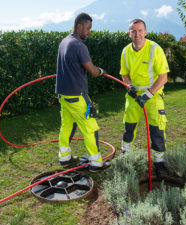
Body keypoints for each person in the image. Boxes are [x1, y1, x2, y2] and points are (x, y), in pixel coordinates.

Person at [55, 12, 110, 172]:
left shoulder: (64, 42)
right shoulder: (80, 46)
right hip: (77, 96)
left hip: (63, 95)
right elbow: (92, 71)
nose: (89, 32)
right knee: (90, 127)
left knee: (66, 125)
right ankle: (96, 163)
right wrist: (100, 71)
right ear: (79, 26)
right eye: (88, 28)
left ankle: (64, 158)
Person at [120, 19, 170, 177]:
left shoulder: (155, 49)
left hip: (153, 95)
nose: (137, 34)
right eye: (133, 31)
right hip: (134, 96)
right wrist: (129, 86)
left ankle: (159, 162)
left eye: (140, 30)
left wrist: (147, 95)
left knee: (157, 130)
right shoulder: (125, 51)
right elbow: (124, 73)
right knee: (129, 128)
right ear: (129, 33)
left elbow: (163, 77)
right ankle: (126, 156)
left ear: (146, 32)